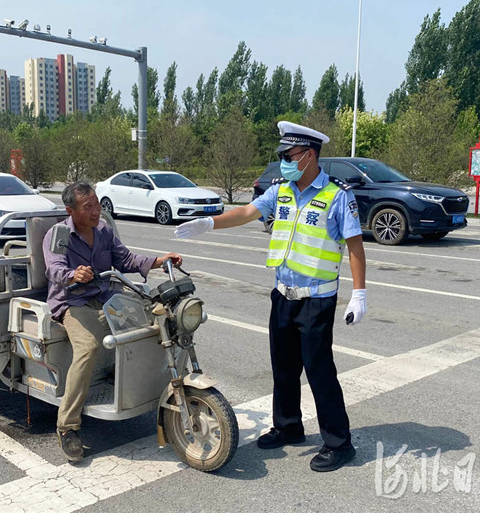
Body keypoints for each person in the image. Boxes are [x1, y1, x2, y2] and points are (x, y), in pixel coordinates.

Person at [175, 121, 367, 472]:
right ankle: (288, 426)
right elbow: (248, 212)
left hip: (316, 299)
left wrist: (359, 293)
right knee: (283, 368)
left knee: (320, 372)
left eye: (289, 155)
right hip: (283, 296)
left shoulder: (338, 195)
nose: (284, 162)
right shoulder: (281, 191)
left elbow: (355, 245)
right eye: (282, 156)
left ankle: (339, 443)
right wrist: (209, 222)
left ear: (309, 155)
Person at [43, 181, 183, 463]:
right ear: (71, 211)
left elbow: (126, 259)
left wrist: (160, 260)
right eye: (88, 207)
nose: (96, 211)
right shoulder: (58, 234)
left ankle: (149, 390)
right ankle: (67, 427)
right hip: (73, 302)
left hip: (107, 295)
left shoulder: (104, 230)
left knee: (155, 325)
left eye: (96, 204)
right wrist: (73, 275)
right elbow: (54, 268)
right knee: (89, 348)